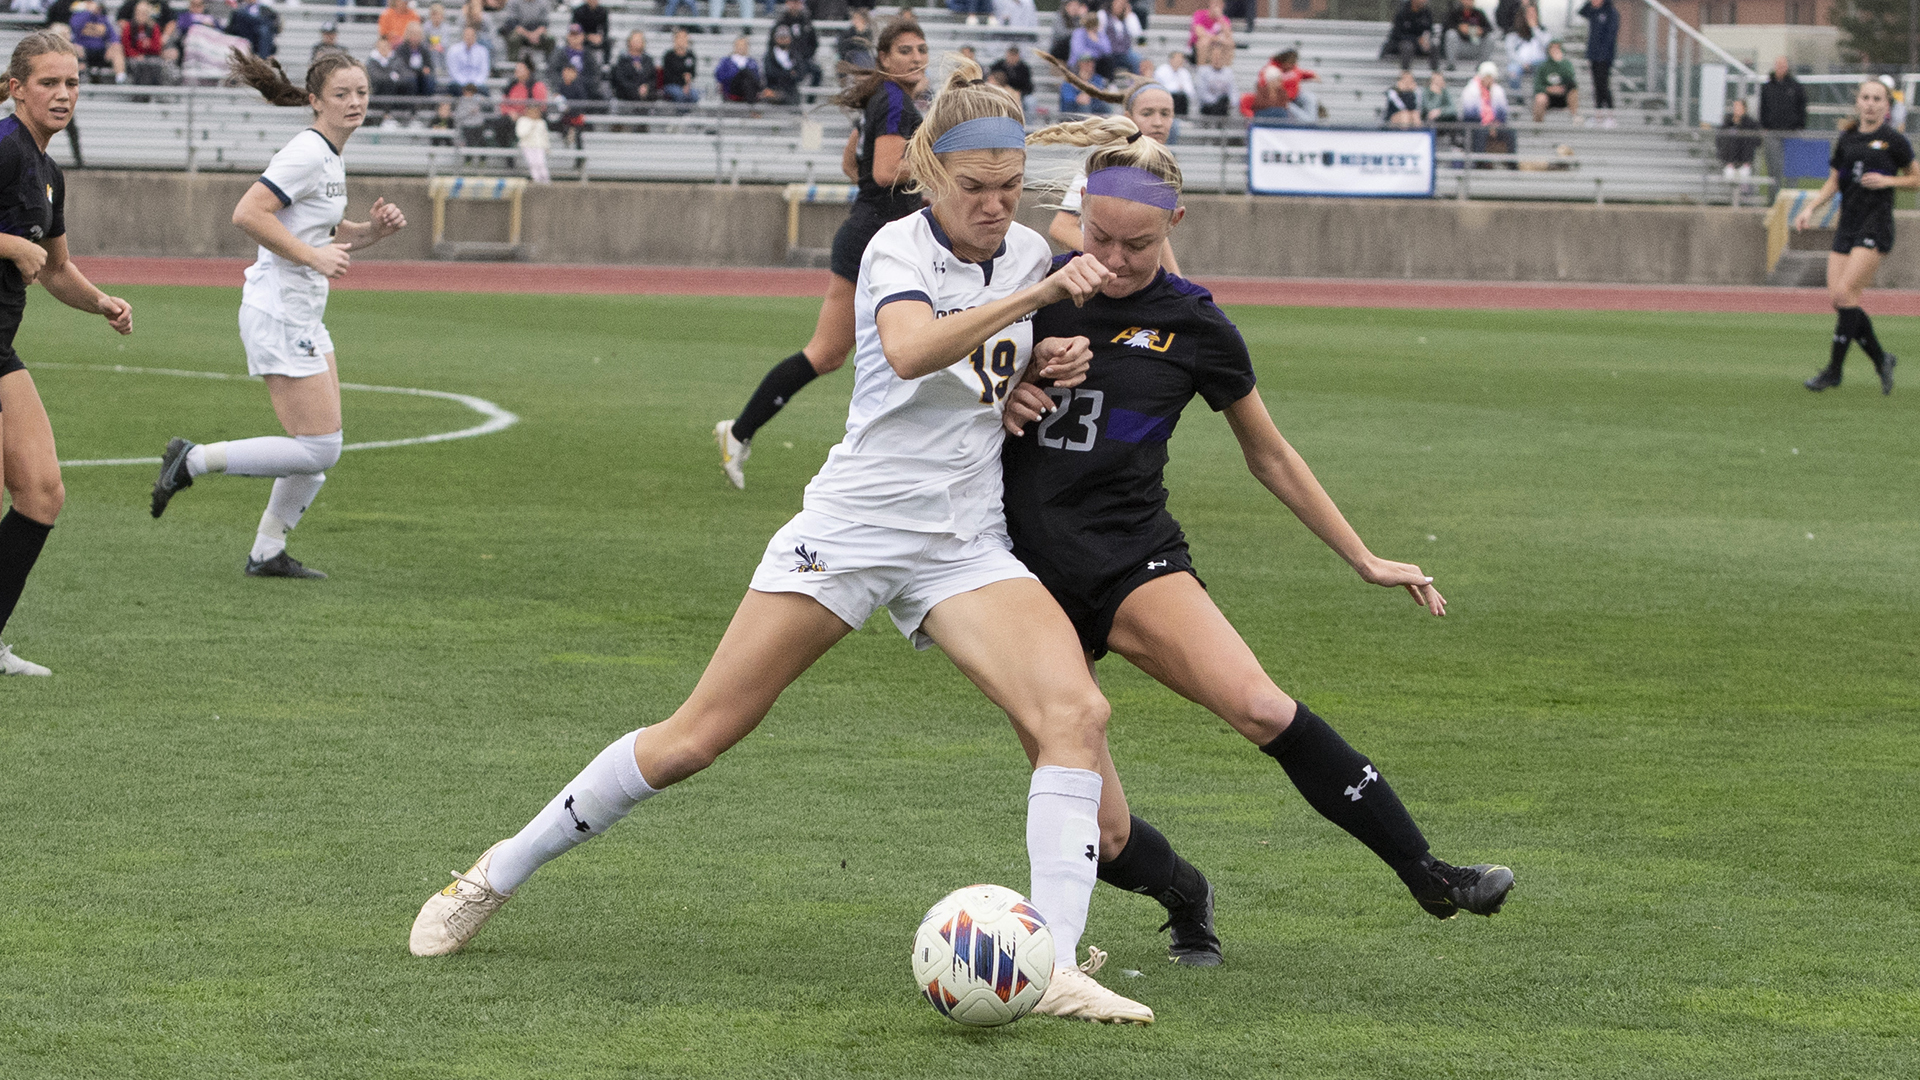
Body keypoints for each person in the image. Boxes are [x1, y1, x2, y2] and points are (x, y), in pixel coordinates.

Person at [412, 59, 1162, 1026]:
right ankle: (492, 874)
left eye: (1011, 189)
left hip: (961, 542)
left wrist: (1043, 367)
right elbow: (908, 350)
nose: (996, 205)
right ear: (932, 173)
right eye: (977, 188)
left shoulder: (1027, 251)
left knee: (1077, 716)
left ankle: (1051, 962)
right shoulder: (898, 250)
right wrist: (1034, 307)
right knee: (696, 739)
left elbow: (1067, 291)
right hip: (853, 529)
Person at [1005, 117, 1515, 932]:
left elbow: (1269, 455)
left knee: (1262, 707)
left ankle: (1428, 872)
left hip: (1133, 560)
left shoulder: (1196, 325)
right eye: (1100, 234)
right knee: (1102, 829)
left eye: (1138, 242)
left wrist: (1362, 557)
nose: (1116, 256)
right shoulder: (1029, 289)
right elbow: (941, 392)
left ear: (1174, 225)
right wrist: (1011, 392)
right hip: (1019, 578)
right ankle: (1186, 895)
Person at [149, 48, 407, 579]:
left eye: (361, 92)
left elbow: (322, 232)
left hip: (302, 312)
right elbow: (248, 213)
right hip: (280, 311)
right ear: (315, 101)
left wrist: (372, 232)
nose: (354, 102)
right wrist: (313, 257)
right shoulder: (308, 152)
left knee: (319, 446)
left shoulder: (331, 154)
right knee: (319, 448)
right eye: (342, 94)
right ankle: (191, 459)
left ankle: (267, 552)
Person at [713, 18, 927, 488]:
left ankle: (741, 431)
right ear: (886, 58)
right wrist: (939, 159)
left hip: (876, 233)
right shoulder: (893, 99)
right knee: (852, 352)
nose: (916, 57)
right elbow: (889, 170)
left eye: (921, 49)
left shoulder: (884, 98)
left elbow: (854, 164)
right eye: (905, 50)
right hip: (877, 240)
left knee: (839, 355)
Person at [0, 30, 134, 677]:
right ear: (15, 88)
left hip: (0, 346)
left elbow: (55, 269)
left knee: (41, 493)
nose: (62, 94)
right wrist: (7, 244)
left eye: (72, 83)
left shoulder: (47, 172)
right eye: (48, 82)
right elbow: (24, 252)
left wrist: (101, 301)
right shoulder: (1, 147)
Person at [1794, 77, 1909, 395]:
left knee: (1846, 293)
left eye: (1877, 99)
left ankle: (1833, 371)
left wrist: (1889, 182)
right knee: (1841, 300)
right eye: (1866, 97)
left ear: (1886, 106)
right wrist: (1811, 208)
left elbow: (1916, 177)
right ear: (1857, 102)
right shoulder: (1847, 138)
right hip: (1848, 226)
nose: (1871, 103)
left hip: (1876, 226)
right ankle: (1881, 359)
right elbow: (1834, 181)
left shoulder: (1893, 141)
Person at [1045, 59, 1180, 275]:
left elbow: (1159, 238)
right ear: (1129, 118)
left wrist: (1179, 283)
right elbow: (1061, 228)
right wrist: (1109, 259)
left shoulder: (1161, 168)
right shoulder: (1106, 162)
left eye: (1165, 114)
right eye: (1147, 113)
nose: (1158, 122)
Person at [1759, 56, 1807, 187]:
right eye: (1778, 65)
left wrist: (1800, 126)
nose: (1781, 68)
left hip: (1792, 133)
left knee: (1792, 168)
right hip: (1773, 133)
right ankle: (1774, 200)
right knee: (1774, 168)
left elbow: (1802, 107)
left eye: (1783, 65)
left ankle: (1792, 200)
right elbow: (1763, 108)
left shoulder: (1796, 87)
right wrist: (1765, 126)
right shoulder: (1767, 87)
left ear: (1787, 67)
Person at [1460, 60, 1512, 156]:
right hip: (1476, 125)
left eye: (1491, 77)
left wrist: (1495, 125)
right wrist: (1486, 125)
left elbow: (1502, 113)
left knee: (1510, 133)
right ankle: (1480, 162)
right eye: (1487, 77)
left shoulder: (1498, 91)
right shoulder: (1471, 90)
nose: (1489, 80)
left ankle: (1512, 163)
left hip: (1494, 125)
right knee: (1480, 133)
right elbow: (1469, 114)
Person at [1576, 0, 1616, 121]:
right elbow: (1581, 12)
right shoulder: (1593, 11)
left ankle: (1610, 114)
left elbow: (1611, 36)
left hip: (1605, 56)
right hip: (1593, 55)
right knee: (1596, 84)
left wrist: (1603, 54)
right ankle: (1598, 114)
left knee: (1603, 84)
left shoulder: (1611, 12)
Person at [772, 0, 820, 87]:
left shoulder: (806, 21)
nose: (794, 5)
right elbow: (772, 43)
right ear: (787, 3)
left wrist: (804, 56)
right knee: (783, 73)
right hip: (784, 59)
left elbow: (814, 43)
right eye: (792, 2)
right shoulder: (781, 22)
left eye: (797, 2)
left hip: (804, 59)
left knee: (817, 72)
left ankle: (810, 99)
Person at [1383, 0, 1437, 73]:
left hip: (1420, 46)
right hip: (1401, 45)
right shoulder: (1402, 13)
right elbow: (1397, 35)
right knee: (1407, 46)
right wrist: (1416, 40)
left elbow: (1430, 30)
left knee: (1433, 46)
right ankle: (1405, 73)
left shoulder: (1427, 13)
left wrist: (1426, 39)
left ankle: (1435, 74)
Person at [1504, 4, 1548, 91]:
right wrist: (1522, 63)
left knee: (1546, 70)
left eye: (1534, 13)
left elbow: (1548, 47)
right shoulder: (1513, 33)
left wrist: (1534, 29)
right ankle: (1518, 97)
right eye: (1529, 13)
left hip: (1539, 63)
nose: (1532, 16)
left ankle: (1539, 94)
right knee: (1512, 72)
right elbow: (1510, 52)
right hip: (1519, 63)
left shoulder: (1542, 31)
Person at [1530, 40, 1576, 123]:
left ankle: (1575, 117)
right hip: (1549, 96)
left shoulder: (1566, 64)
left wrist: (1560, 63)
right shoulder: (1543, 66)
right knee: (1540, 98)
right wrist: (1549, 89)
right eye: (1553, 48)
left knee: (1573, 90)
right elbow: (1537, 86)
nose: (1555, 50)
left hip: (1563, 95)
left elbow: (1570, 79)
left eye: (1557, 48)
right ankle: (1537, 126)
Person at [1716, 97, 1760, 183]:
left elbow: (1758, 140)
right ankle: (1729, 165)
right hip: (1730, 157)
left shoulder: (1751, 123)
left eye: (1739, 107)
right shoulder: (1728, 122)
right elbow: (1719, 138)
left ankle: (1746, 165)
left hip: (1745, 158)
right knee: (1730, 139)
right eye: (1735, 107)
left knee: (1747, 139)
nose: (1736, 110)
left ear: (1745, 109)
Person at [1443, 0, 1494, 68]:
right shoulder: (1455, 12)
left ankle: (1482, 66)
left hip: (1475, 45)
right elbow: (1446, 27)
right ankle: (1451, 65)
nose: (1469, 2)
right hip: (1459, 46)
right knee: (1451, 34)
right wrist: (1459, 27)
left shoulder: (1479, 13)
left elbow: (1489, 28)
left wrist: (1481, 30)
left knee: (1490, 37)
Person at [609, 29, 654, 103]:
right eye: (635, 40)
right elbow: (621, 80)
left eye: (640, 40)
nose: (638, 42)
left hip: (646, 97)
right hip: (626, 97)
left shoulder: (648, 60)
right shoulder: (622, 60)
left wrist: (646, 87)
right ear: (629, 42)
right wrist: (636, 89)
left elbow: (652, 79)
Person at [1193, 39, 1233, 117]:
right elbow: (1201, 92)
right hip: (1208, 106)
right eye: (1215, 57)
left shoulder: (1228, 72)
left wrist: (1231, 102)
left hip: (1223, 106)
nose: (1217, 60)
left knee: (1224, 101)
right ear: (1210, 57)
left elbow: (1233, 91)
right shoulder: (1203, 71)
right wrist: (1216, 101)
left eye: (1219, 57)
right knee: (1220, 103)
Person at [444, 22, 489, 90]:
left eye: (471, 35)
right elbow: (453, 71)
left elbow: (484, 71)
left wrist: (474, 84)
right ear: (463, 36)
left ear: (475, 36)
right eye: (467, 35)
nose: (469, 37)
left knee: (484, 89)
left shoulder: (482, 51)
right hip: (459, 83)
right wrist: (465, 84)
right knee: (453, 87)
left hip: (477, 84)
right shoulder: (454, 50)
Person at [763, 25, 801, 105]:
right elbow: (770, 73)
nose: (783, 40)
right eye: (781, 37)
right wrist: (789, 73)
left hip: (791, 89)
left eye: (785, 37)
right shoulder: (770, 55)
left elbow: (800, 72)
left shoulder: (795, 54)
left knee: (793, 99)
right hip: (774, 87)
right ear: (775, 39)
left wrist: (789, 75)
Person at [516, 98, 550, 182]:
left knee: (541, 163)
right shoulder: (522, 121)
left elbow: (545, 136)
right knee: (532, 164)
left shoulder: (541, 122)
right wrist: (531, 125)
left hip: (539, 146)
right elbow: (520, 134)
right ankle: (537, 180)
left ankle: (546, 180)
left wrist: (547, 146)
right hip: (527, 146)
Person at [661, 28, 697, 104]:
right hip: (671, 85)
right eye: (680, 37)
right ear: (675, 39)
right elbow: (667, 76)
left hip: (686, 86)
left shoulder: (691, 55)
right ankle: (680, 115)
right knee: (680, 94)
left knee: (695, 94)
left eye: (684, 37)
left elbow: (693, 73)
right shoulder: (669, 56)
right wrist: (682, 81)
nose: (682, 40)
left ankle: (688, 114)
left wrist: (689, 79)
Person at [1153, 50, 1193, 117]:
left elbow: (1190, 91)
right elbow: (1161, 88)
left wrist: (1181, 89)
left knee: (1182, 97)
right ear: (1171, 60)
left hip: (1181, 99)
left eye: (1181, 59)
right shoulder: (1162, 70)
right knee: (1175, 96)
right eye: (1177, 59)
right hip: (1166, 98)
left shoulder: (1185, 72)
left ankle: (1183, 119)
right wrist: (1178, 88)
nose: (1180, 61)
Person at [570, 0, 608, 66]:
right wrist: (587, 36)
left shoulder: (603, 11)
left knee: (608, 42)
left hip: (596, 36)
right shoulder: (578, 11)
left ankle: (605, 65)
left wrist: (600, 37)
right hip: (582, 36)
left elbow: (605, 29)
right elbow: (574, 29)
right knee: (575, 41)